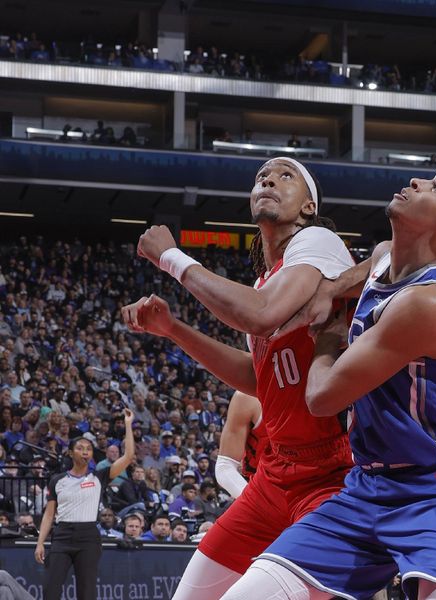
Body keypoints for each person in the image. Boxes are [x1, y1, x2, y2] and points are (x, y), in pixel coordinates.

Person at [217, 168, 436, 600]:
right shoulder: (385, 256)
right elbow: (367, 267)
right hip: (366, 486)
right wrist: (331, 288)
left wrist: (328, 337)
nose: (419, 182)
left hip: (434, 488)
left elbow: (322, 398)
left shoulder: (429, 302)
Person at [122, 157, 355, 599]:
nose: (268, 179)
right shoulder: (267, 280)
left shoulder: (319, 243)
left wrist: (171, 257)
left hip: (332, 475)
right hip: (275, 474)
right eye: (261, 177)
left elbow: (260, 314)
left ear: (309, 207)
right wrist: (173, 329)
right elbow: (256, 377)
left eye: (286, 175)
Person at [34, 409, 135, 600]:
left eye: (88, 448)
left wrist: (128, 424)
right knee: (50, 591)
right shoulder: (58, 480)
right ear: (71, 453)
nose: (85, 451)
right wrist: (40, 543)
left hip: (88, 537)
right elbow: (49, 515)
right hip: (62, 536)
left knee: (87, 593)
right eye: (80, 448)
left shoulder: (99, 476)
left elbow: (129, 456)